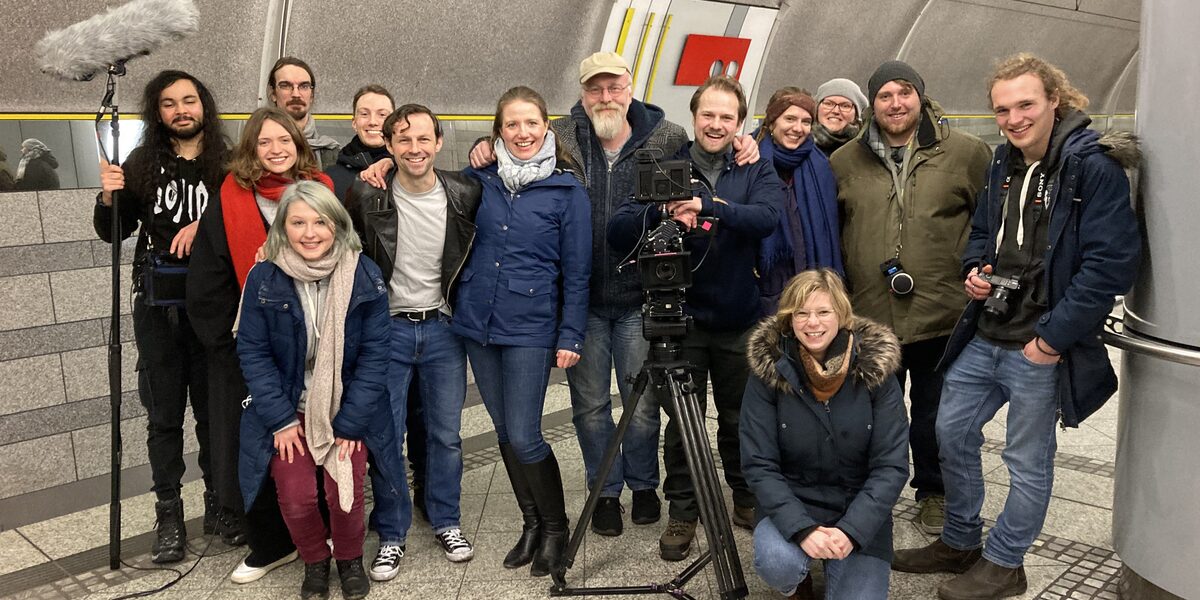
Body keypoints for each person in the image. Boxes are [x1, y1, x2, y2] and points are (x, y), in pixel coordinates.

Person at [892, 53, 1140, 600]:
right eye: (1002, 109)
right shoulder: (1002, 162)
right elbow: (982, 233)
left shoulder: (1092, 166)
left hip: (1040, 342)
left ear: (1056, 99)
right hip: (988, 330)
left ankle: (1005, 564)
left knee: (1026, 460)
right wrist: (975, 271)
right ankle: (959, 540)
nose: (1014, 118)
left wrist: (1051, 340)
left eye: (1025, 104)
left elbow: (1110, 264)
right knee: (949, 431)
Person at [609, 75, 782, 561]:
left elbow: (767, 218)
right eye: (709, 114)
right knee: (682, 424)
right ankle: (683, 509)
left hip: (738, 318)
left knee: (740, 416)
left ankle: (745, 497)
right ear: (694, 116)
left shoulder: (753, 167)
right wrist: (661, 208)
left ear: (740, 123)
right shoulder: (667, 167)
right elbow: (619, 230)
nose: (717, 124)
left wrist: (710, 206)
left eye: (728, 117)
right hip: (679, 319)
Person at [830, 60, 991, 535]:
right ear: (872, 104)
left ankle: (934, 491)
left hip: (942, 313)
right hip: (871, 314)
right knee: (870, 413)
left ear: (920, 97)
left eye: (904, 93)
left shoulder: (966, 153)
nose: (895, 104)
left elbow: (990, 223)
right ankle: (870, 493)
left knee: (934, 413)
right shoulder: (844, 162)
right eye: (885, 95)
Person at [187, 106, 336, 583]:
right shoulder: (229, 196)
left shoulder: (323, 190)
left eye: (284, 141)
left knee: (315, 442)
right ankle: (271, 544)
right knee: (257, 447)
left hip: (313, 343)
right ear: (250, 148)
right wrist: (229, 346)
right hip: (245, 348)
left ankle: (322, 534)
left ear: (298, 143)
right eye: (264, 142)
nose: (276, 150)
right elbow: (208, 277)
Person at [92, 69, 236, 562]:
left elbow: (253, 218)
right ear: (158, 113)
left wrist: (206, 223)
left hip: (214, 307)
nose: (181, 110)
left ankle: (219, 504)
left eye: (189, 100)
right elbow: (113, 232)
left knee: (216, 413)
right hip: (157, 309)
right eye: (170, 103)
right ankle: (169, 515)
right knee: (164, 417)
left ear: (204, 105)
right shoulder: (140, 163)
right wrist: (109, 195)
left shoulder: (229, 161)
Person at [236, 180, 398, 600]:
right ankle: (314, 560)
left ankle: (348, 559)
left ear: (337, 225)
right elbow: (253, 353)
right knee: (296, 497)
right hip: (290, 409)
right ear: (283, 228)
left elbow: (376, 356)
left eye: (320, 222)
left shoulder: (363, 273)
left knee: (343, 492)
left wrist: (350, 423)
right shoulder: (264, 277)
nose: (310, 233)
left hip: (346, 408)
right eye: (298, 222)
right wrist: (280, 419)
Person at [453, 85, 591, 577]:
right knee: (506, 434)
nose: (522, 132)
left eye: (531, 123)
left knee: (528, 434)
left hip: (532, 327)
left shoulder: (567, 190)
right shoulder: (478, 180)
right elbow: (423, 184)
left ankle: (555, 527)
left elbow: (577, 271)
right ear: (498, 131)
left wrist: (571, 334)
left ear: (546, 127)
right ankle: (530, 524)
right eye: (511, 124)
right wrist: (383, 165)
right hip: (478, 323)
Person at [344, 103, 482, 579]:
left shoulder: (465, 191)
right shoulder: (366, 194)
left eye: (424, 139)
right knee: (387, 437)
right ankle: (392, 533)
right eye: (403, 140)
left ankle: (446, 518)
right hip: (388, 331)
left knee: (445, 435)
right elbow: (337, 247)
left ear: (440, 142)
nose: (414, 148)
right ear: (388, 145)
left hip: (443, 329)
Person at [742, 269, 908, 599]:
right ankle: (798, 578)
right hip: (794, 496)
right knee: (777, 562)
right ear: (789, 319)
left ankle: (842, 559)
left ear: (841, 314)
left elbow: (891, 465)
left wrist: (852, 531)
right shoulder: (769, 370)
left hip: (856, 502)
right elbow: (758, 464)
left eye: (823, 312)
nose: (812, 323)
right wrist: (801, 529)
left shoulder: (874, 368)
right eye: (801, 313)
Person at [754, 88, 843, 315]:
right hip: (765, 290)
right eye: (790, 118)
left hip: (813, 287)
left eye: (806, 121)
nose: (798, 128)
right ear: (772, 122)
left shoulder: (821, 165)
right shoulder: (749, 160)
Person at [267, 56, 340, 169]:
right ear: (273, 94)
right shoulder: (254, 150)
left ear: (312, 95)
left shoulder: (332, 153)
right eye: (285, 86)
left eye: (304, 86)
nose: (296, 94)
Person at [326, 85, 395, 200]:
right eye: (364, 114)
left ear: (394, 122)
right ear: (354, 123)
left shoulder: (408, 170)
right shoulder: (332, 178)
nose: (373, 122)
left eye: (382, 115)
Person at [811, 78, 868, 156]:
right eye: (828, 104)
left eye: (845, 106)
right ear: (817, 109)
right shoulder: (798, 144)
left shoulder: (867, 150)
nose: (836, 111)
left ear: (856, 115)